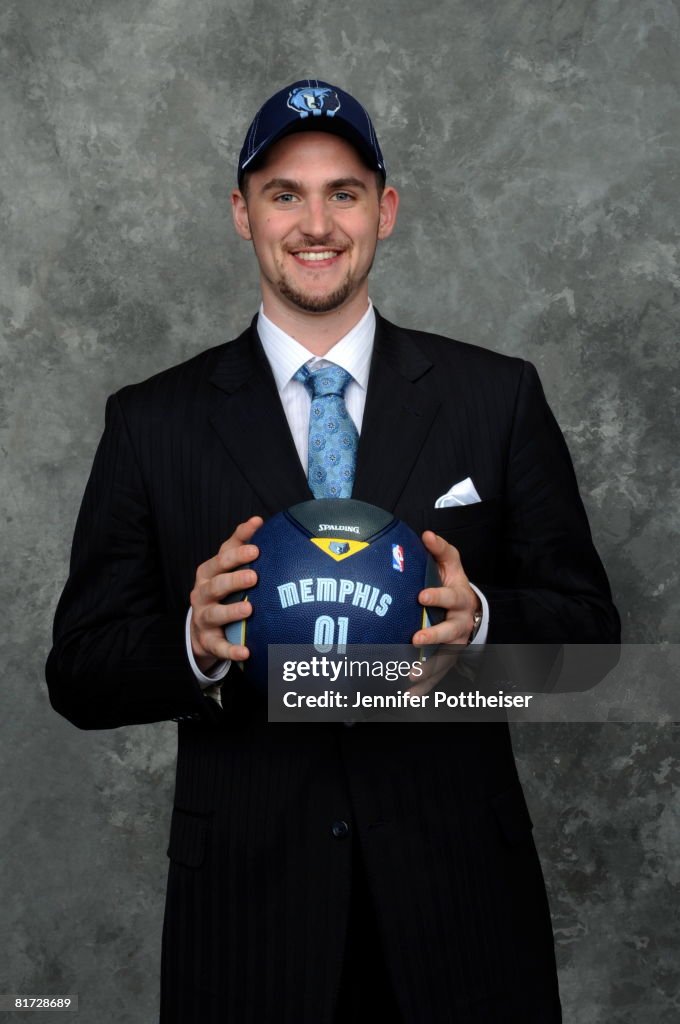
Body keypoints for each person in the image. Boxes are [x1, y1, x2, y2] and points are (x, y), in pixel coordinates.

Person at [47, 79, 620, 1023]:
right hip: (248, 920)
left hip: (460, 913)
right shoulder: (152, 424)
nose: (317, 224)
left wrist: (482, 632)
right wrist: (191, 642)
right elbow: (78, 674)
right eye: (285, 193)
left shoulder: (496, 397)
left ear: (384, 210)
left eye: (343, 192)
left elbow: (594, 650)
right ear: (243, 213)